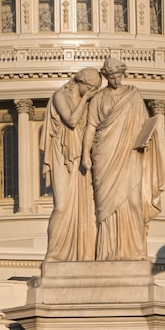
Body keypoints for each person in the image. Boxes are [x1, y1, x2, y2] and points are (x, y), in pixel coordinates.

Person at [87, 55, 163, 261]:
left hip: (130, 155)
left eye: (119, 75)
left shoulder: (133, 95)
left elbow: (144, 125)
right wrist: (86, 154)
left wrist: (147, 140)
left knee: (134, 202)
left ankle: (135, 250)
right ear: (106, 76)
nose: (116, 79)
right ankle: (108, 251)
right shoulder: (98, 99)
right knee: (107, 209)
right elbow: (91, 126)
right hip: (104, 155)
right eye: (111, 76)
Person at [43, 68, 101, 261]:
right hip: (63, 153)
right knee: (61, 206)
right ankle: (54, 255)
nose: (93, 93)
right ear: (83, 83)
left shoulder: (91, 102)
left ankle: (84, 253)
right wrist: (85, 100)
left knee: (85, 208)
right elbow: (71, 120)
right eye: (92, 88)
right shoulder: (60, 95)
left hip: (80, 158)